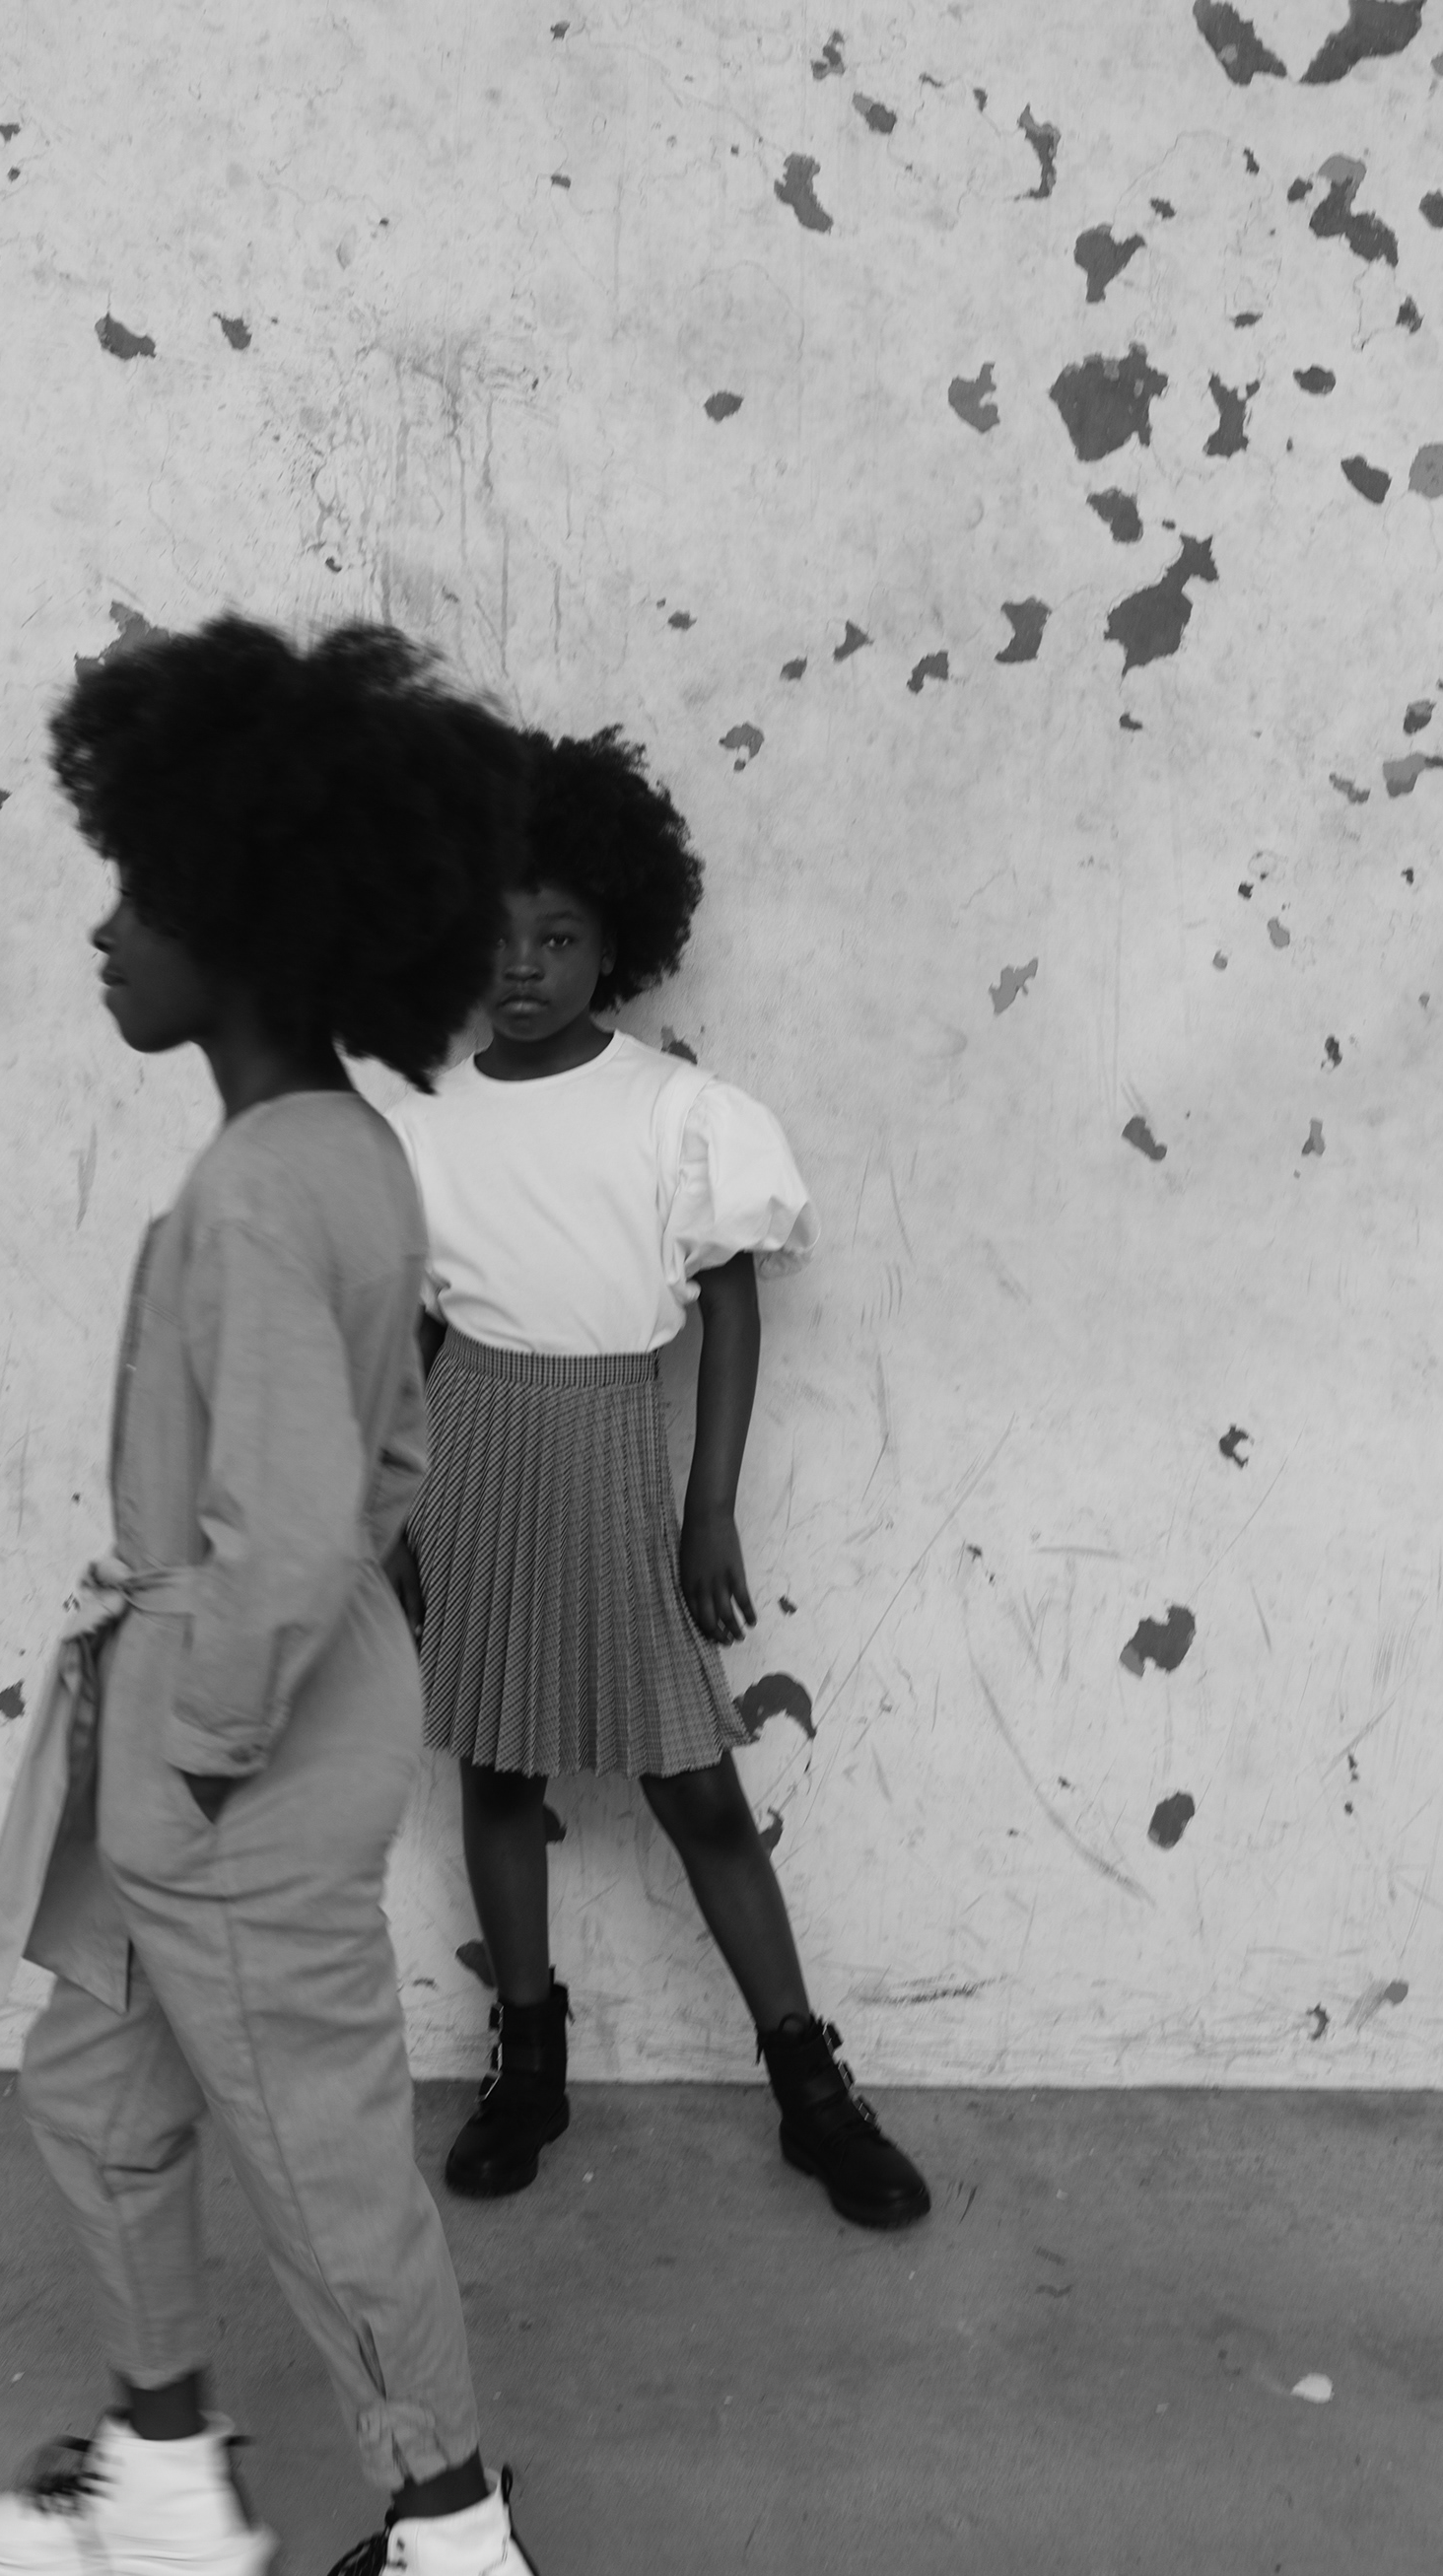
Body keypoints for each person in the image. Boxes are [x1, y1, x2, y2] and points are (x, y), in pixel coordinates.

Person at [0, 618, 565, 2576]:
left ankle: (457, 2550)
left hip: (239, 1730)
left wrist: (200, 1748)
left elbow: (298, 1530)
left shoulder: (259, 1190)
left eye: (137, 893)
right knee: (99, 2074)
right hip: (218, 1702)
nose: (104, 935)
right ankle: (161, 2473)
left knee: (314, 2143)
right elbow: (371, 1476)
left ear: (244, 913)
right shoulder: (338, 1152)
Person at [382, 726, 930, 2230]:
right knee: (498, 1766)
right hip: (475, 1451)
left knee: (695, 1785)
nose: (524, 966)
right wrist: (395, 1506)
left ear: (619, 940)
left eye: (559, 935)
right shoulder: (424, 1124)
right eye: (499, 936)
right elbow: (415, 1331)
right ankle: (529, 2067)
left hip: (617, 1452)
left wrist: (707, 1508)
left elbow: (729, 1309)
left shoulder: (676, 1112)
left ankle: (811, 2088)